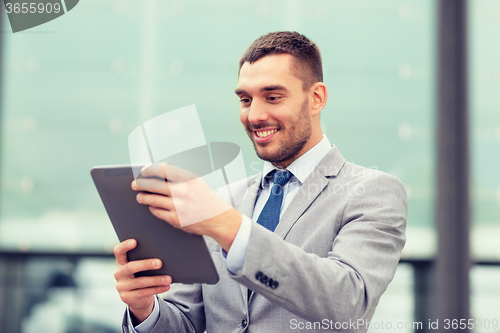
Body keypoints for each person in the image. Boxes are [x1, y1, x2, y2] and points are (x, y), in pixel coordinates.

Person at [113, 31, 407, 333]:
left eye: (273, 97)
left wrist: (227, 227)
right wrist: (144, 309)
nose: (254, 115)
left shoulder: (372, 192)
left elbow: (349, 302)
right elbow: (186, 323)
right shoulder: (224, 199)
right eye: (245, 99)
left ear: (316, 98)